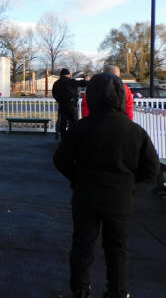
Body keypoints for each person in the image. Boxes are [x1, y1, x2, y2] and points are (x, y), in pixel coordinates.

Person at [53, 73, 159, 298]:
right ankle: (117, 292)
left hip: (86, 196)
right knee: (117, 249)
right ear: (121, 97)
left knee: (82, 246)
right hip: (119, 200)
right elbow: (151, 170)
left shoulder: (80, 128)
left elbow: (60, 159)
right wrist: (129, 185)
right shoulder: (135, 132)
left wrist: (77, 179)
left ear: (91, 96)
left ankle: (80, 290)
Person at [52, 68, 89, 140]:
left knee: (63, 122)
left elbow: (54, 94)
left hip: (62, 105)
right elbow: (82, 83)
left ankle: (63, 138)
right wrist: (87, 81)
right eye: (70, 74)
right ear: (68, 74)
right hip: (71, 105)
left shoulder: (56, 83)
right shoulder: (71, 81)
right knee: (73, 122)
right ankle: (72, 138)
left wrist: (59, 101)